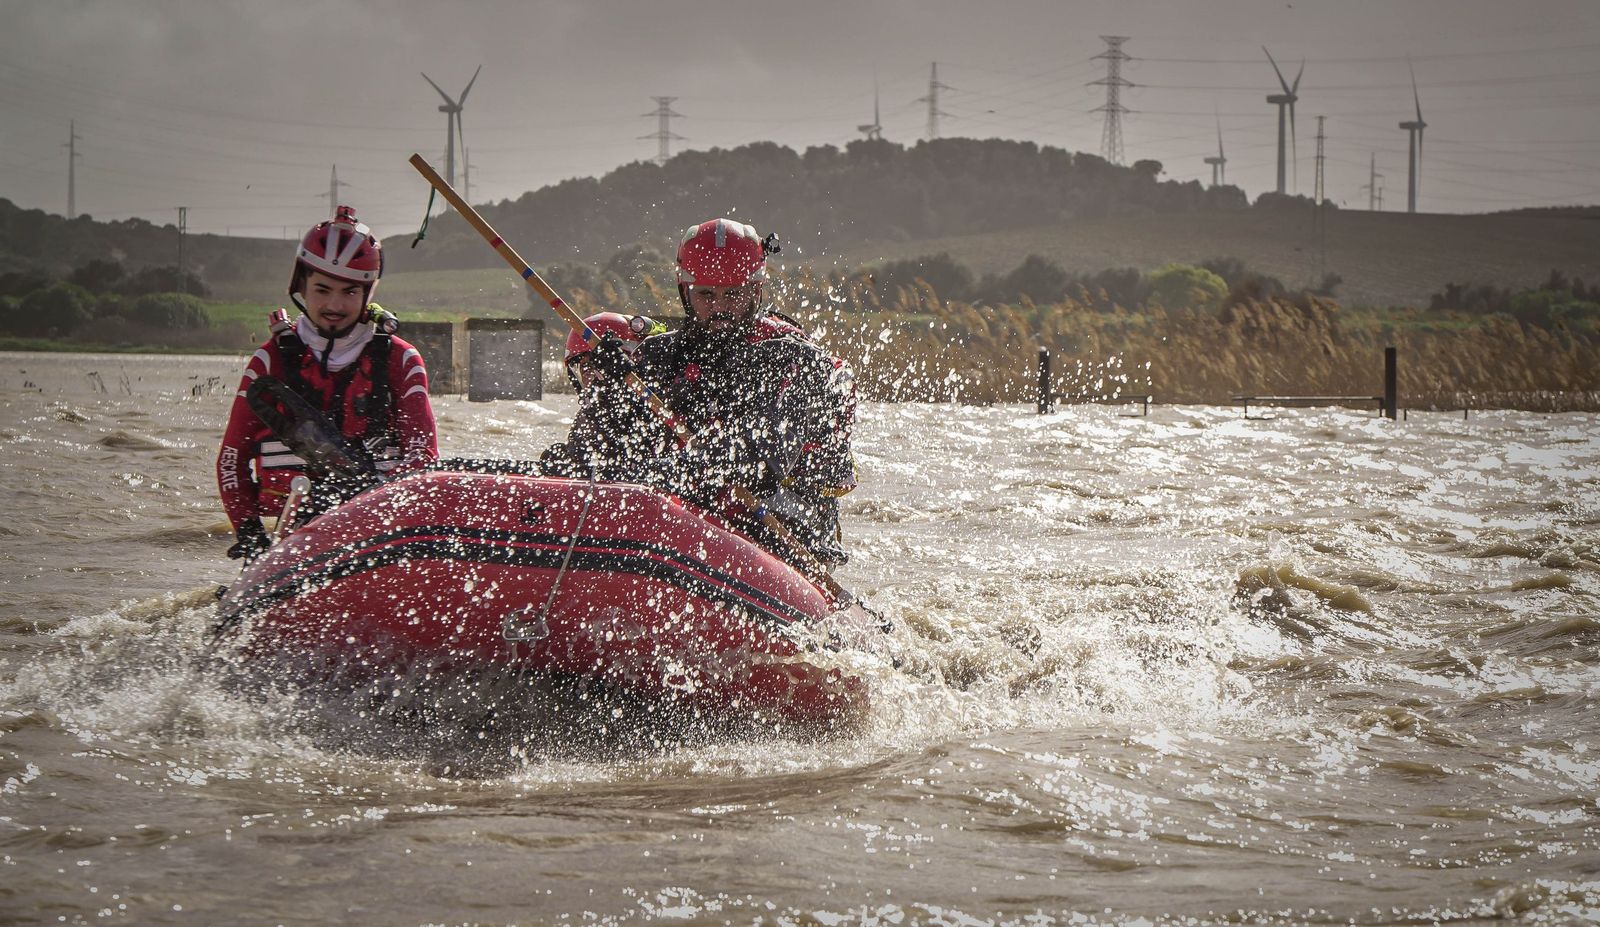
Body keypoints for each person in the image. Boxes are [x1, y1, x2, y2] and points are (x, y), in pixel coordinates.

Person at [613, 217, 858, 567]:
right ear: (685, 292)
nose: (720, 309)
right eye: (706, 295)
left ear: (755, 290)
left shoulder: (792, 358)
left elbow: (761, 464)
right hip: (686, 513)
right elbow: (606, 446)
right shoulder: (659, 355)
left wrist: (662, 473)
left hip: (785, 522)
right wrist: (610, 389)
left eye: (733, 294)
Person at [216, 206, 438, 561]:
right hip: (287, 539)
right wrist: (249, 532)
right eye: (322, 290)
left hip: (374, 537)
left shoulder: (401, 360)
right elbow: (231, 459)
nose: (335, 304)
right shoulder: (269, 360)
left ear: (368, 293)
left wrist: (376, 513)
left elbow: (422, 458)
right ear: (300, 286)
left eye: (350, 292)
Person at [538, 310, 669, 480]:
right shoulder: (591, 412)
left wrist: (623, 382)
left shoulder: (662, 397)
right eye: (584, 367)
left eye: (598, 364)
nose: (591, 375)